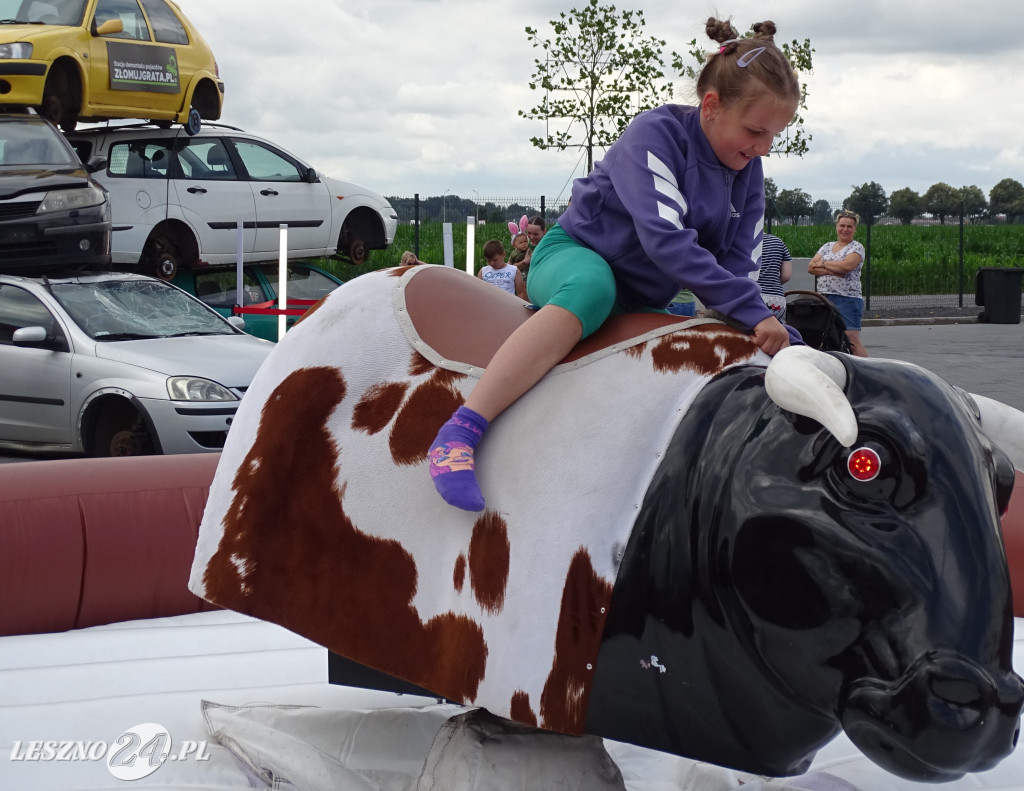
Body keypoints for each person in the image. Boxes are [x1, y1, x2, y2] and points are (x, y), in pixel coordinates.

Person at [428, 17, 802, 512]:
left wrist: (757, 323)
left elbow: (739, 262)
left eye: (774, 136)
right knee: (593, 288)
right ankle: (462, 428)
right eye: (755, 131)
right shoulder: (656, 134)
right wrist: (751, 311)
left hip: (644, 297)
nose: (763, 148)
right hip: (574, 257)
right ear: (711, 106)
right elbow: (668, 240)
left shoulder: (748, 171)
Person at [808, 210, 868, 357]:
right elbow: (811, 267)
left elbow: (846, 267)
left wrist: (823, 263)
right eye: (842, 225)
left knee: (851, 342)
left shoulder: (857, 247)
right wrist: (832, 269)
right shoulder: (827, 246)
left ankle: (866, 373)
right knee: (825, 340)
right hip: (824, 298)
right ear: (836, 226)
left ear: (855, 228)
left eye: (849, 226)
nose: (845, 229)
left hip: (847, 299)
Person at [757, 232, 792, 320]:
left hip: (751, 297)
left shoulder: (740, 241)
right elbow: (786, 275)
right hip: (776, 300)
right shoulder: (778, 242)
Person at [519, 216, 547, 280]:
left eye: (536, 234)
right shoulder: (524, 243)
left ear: (544, 231)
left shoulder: (547, 246)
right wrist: (524, 262)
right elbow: (510, 266)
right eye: (529, 233)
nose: (531, 237)